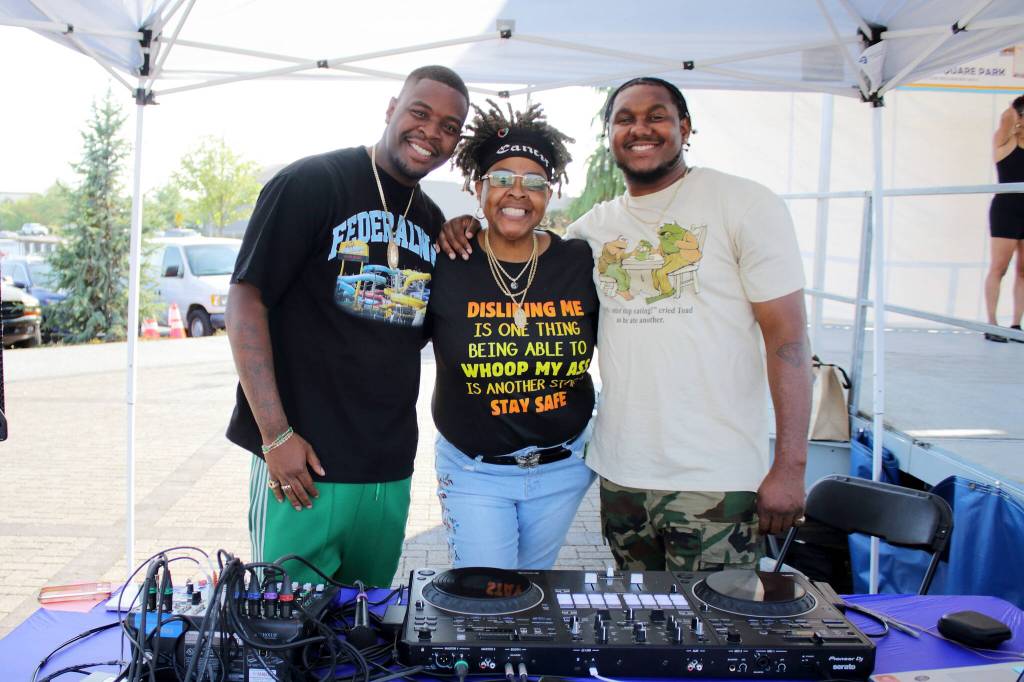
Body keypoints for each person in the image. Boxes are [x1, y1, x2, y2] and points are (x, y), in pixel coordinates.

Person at [438, 77, 811, 572]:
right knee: (638, 627)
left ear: (685, 127)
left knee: (715, 635)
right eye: (624, 119)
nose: (641, 129)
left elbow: (788, 340)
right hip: (620, 476)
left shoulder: (743, 202)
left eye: (656, 115)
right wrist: (462, 225)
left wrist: (790, 466)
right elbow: (520, 239)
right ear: (609, 134)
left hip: (716, 479)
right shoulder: (593, 230)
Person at [225, 65, 469, 587]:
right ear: (391, 109)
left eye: (449, 126)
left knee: (365, 633)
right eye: (420, 113)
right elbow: (246, 302)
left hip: (387, 470)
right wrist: (275, 435)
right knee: (287, 632)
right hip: (303, 466)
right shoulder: (312, 182)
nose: (431, 132)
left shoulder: (430, 220)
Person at [429, 101, 598, 569]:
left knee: (532, 595)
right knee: (487, 596)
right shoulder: (446, 260)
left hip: (565, 468)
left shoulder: (579, 262)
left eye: (534, 182)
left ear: (550, 193)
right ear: (477, 187)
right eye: (501, 178)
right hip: (473, 470)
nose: (517, 193)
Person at [984, 95, 1024, 343]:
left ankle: (1016, 324)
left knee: (1023, 271)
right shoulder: (1005, 141)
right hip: (1006, 209)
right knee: (1000, 267)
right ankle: (992, 323)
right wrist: (1015, 112)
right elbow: (1006, 118)